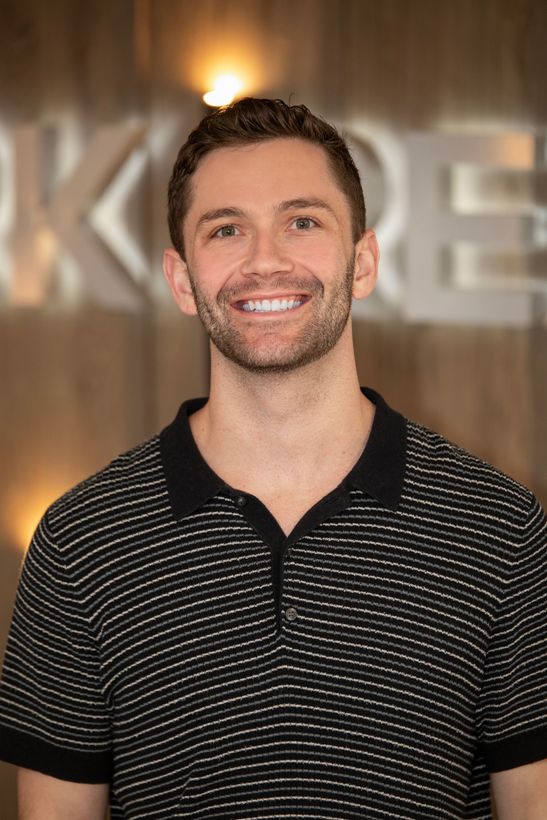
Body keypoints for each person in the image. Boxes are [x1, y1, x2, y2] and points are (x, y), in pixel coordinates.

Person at [0, 98, 546, 819]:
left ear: (362, 261)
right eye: (226, 230)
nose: (264, 260)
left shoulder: (498, 529)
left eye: (302, 221)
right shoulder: (81, 542)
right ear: (181, 279)